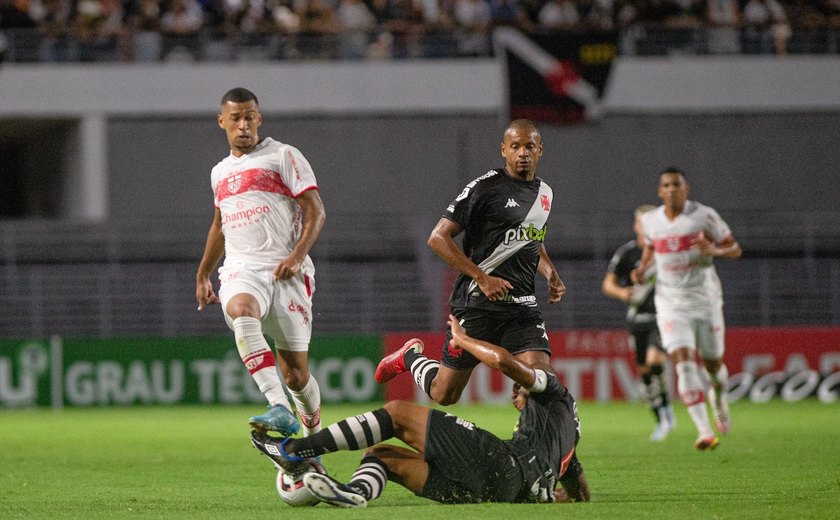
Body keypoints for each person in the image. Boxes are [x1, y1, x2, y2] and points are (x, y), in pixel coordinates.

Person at [250, 314, 591, 508]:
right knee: (381, 455)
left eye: (520, 392)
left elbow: (504, 362)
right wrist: (555, 496)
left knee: (397, 413)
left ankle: (294, 451)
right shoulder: (567, 439)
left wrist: (462, 339)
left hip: (503, 466)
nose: (516, 396)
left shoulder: (553, 389)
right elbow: (580, 493)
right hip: (495, 493)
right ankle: (355, 493)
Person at [374, 119, 566, 406]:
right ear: (504, 150)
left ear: (540, 150)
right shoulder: (486, 187)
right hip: (477, 303)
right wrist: (482, 278)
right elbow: (438, 238)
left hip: (522, 305)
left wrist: (550, 272)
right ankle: (410, 356)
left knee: (542, 378)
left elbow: (531, 240)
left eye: (529, 146)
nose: (522, 153)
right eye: (515, 146)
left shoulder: (545, 194)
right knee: (444, 394)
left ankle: (532, 433)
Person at [195, 87, 326, 438]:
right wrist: (204, 273)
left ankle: (315, 439)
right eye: (235, 118)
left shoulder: (283, 156)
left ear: (259, 118)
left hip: (287, 273)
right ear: (222, 121)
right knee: (241, 308)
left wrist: (296, 256)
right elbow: (220, 224)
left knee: (296, 375)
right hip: (242, 268)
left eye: (249, 116)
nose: (243, 125)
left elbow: (317, 211)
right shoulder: (219, 173)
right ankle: (278, 407)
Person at [631, 167, 741, 451]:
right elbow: (651, 249)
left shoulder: (704, 215)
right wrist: (642, 269)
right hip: (670, 302)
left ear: (686, 188)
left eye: (676, 185)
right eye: (666, 185)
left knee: (713, 365)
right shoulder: (650, 220)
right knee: (682, 359)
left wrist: (713, 251)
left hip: (705, 300)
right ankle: (704, 431)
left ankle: (718, 395)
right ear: (659, 191)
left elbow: (734, 248)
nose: (671, 190)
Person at [602, 204, 676, 442]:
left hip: (663, 316)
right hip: (637, 319)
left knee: (655, 362)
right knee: (645, 373)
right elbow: (608, 284)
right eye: (643, 223)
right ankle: (661, 417)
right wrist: (623, 293)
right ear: (636, 226)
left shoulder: (666, 251)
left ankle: (665, 409)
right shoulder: (627, 253)